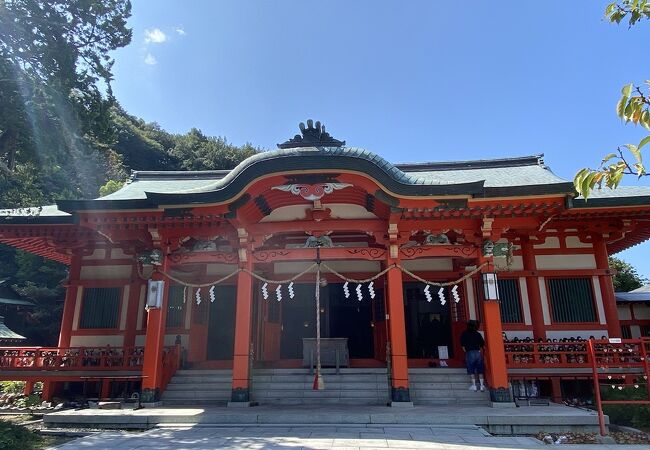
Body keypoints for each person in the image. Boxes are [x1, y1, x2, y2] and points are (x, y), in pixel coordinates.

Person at [460, 320, 485, 391]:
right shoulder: (477, 334)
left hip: (469, 352)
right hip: (477, 352)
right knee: (480, 369)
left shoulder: (464, 334)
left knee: (471, 369)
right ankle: (482, 385)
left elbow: (463, 345)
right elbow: (482, 344)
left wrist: (466, 351)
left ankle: (474, 386)